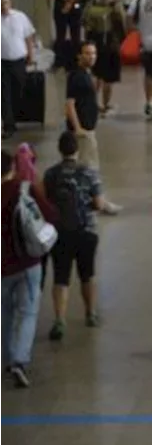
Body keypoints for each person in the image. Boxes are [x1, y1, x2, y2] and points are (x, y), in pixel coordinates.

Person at [0, 149, 58, 387]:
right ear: (12, 168)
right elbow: (50, 214)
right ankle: (19, 361)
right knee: (28, 313)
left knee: (5, 314)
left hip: (2, 269)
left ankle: (7, 357)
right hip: (28, 263)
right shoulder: (23, 189)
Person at [43, 130, 105, 341]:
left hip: (60, 233)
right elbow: (98, 204)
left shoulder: (50, 174)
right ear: (77, 149)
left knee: (61, 277)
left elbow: (45, 203)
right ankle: (91, 313)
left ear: (60, 150)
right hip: (86, 230)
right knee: (87, 274)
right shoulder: (89, 173)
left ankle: (60, 319)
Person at [80, 0, 127, 115]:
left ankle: (94, 103)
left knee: (96, 75)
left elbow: (83, 21)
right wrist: (122, 39)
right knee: (108, 78)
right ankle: (106, 105)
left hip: (94, 42)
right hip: (110, 43)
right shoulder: (114, 6)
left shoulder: (91, 4)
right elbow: (121, 25)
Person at [0, 0, 37, 140]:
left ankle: (16, 118)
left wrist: (31, 54)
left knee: (18, 89)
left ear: (11, 3)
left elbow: (28, 37)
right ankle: (8, 125)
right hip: (2, 62)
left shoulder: (20, 17)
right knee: (4, 94)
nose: (4, 7)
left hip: (19, 60)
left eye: (6, 3)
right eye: (1, 4)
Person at [64, 41, 102, 169]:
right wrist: (78, 128)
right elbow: (70, 104)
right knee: (87, 165)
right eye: (87, 53)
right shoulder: (77, 76)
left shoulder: (87, 74)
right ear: (79, 55)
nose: (91, 57)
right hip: (83, 129)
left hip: (89, 127)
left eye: (93, 53)